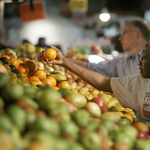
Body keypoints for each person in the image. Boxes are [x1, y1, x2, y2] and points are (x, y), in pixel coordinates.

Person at [38, 42, 150, 121]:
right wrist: (65, 62)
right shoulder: (138, 82)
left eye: (144, 58)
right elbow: (103, 82)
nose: (139, 63)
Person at [71, 18, 150, 78]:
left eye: (124, 33)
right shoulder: (124, 61)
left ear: (137, 35)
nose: (120, 38)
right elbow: (93, 67)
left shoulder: (145, 60)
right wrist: (65, 61)